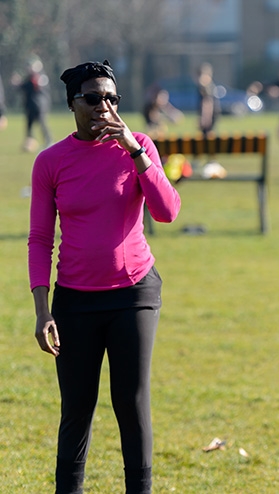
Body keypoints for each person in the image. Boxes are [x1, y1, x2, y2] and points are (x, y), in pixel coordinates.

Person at [28, 60, 181, 494]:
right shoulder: (50, 162)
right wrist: (43, 311)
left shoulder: (139, 146)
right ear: (72, 104)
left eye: (112, 99)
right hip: (74, 300)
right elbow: (40, 239)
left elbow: (167, 212)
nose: (104, 107)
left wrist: (135, 150)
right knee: (76, 408)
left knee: (131, 404)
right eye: (93, 98)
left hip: (134, 294)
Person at [16, 58, 52, 151]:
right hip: (30, 105)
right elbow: (24, 88)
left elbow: (36, 86)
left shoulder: (40, 76)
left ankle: (49, 141)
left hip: (39, 105)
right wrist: (18, 83)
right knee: (29, 126)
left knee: (42, 123)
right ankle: (29, 143)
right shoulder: (29, 77)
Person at [196, 62, 220, 137]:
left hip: (209, 118)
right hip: (211, 117)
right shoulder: (210, 86)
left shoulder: (206, 88)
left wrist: (205, 119)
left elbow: (207, 104)